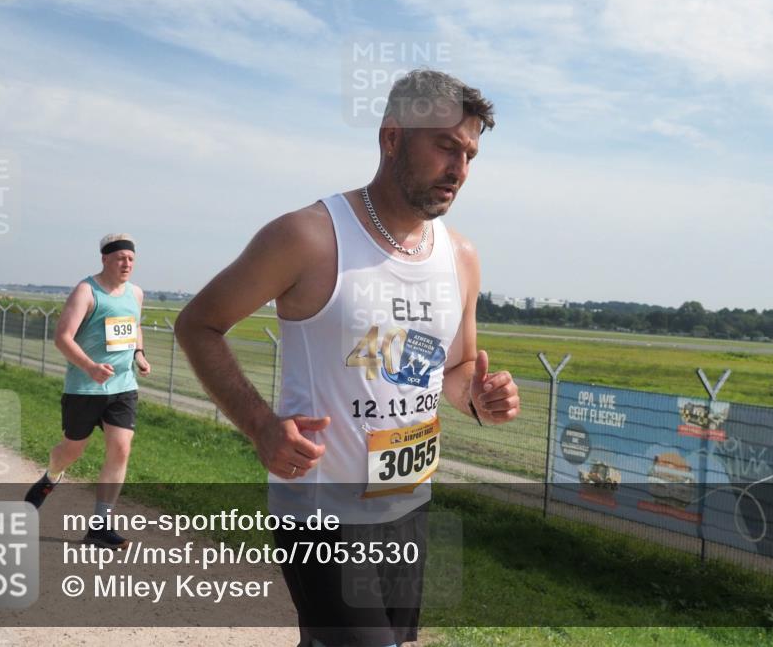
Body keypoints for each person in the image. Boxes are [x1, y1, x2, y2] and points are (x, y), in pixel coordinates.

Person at [175, 70, 520, 647]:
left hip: (409, 503)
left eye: (469, 154)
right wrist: (260, 425)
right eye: (444, 147)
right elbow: (199, 324)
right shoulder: (309, 236)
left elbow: (455, 370)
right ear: (392, 139)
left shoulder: (461, 257)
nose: (459, 171)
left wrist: (481, 398)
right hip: (321, 515)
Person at [24, 233, 150, 551]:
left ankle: (100, 525)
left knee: (121, 449)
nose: (127, 263)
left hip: (123, 387)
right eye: (120, 258)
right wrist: (91, 367)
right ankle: (51, 476)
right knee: (72, 451)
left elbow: (134, 326)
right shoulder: (86, 291)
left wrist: (139, 354)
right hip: (84, 387)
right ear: (105, 259)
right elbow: (63, 337)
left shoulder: (136, 293)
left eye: (131, 259)